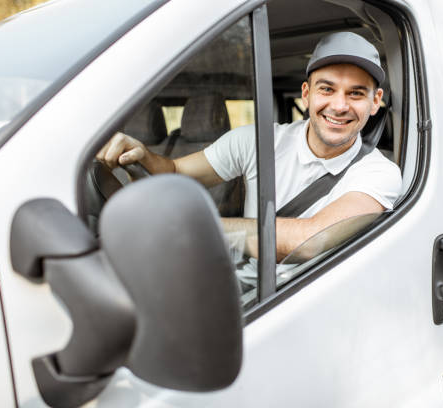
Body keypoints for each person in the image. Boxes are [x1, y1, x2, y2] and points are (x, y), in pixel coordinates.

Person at [97, 31, 402, 265]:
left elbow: (311, 241)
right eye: (327, 89)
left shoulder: (380, 173)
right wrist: (142, 155)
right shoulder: (254, 141)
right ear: (306, 94)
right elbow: (175, 171)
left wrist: (191, 224)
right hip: (246, 287)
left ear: (375, 102)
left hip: (311, 295)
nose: (339, 105)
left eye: (356, 93)